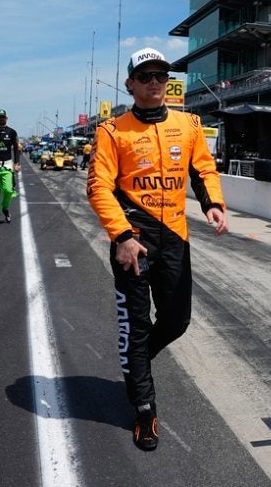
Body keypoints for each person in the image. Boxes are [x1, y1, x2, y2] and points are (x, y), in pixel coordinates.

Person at [87, 47, 228, 453]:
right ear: (130, 84)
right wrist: (121, 236)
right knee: (135, 322)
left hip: (175, 238)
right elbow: (99, 187)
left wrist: (213, 204)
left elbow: (202, 169)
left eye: (160, 76)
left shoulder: (188, 124)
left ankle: (137, 363)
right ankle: (144, 408)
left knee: (177, 321)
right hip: (133, 238)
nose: (154, 82)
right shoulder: (113, 130)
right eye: (145, 76)